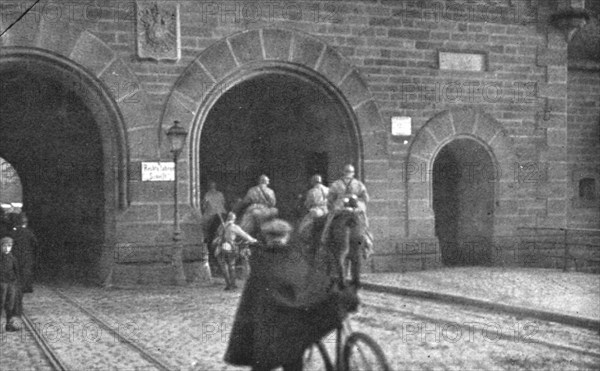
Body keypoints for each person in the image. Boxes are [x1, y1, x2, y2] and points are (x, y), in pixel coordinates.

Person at [224, 219, 359, 371]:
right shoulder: (294, 256)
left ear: (267, 238)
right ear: (287, 236)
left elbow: (250, 303)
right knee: (294, 358)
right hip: (295, 328)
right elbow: (310, 280)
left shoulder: (261, 261)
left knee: (263, 363)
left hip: (271, 333)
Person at [322, 164, 373, 257]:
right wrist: (360, 204)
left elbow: (329, 199)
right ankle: (368, 242)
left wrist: (331, 206)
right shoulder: (359, 184)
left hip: (340, 207)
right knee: (364, 222)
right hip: (355, 207)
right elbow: (366, 198)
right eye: (349, 172)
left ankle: (325, 235)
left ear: (343, 172)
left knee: (329, 220)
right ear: (353, 173)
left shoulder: (336, 184)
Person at [214, 212, 258, 291]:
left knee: (223, 266)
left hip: (219, 248)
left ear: (228, 218)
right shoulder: (234, 227)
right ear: (234, 219)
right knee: (232, 265)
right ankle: (233, 285)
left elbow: (217, 235)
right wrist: (253, 240)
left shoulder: (221, 226)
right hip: (230, 247)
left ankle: (228, 285)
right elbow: (244, 235)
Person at [298, 174, 329, 241]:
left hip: (317, 210)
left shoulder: (312, 191)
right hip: (327, 210)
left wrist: (307, 205)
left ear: (313, 182)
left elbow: (308, 204)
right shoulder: (327, 189)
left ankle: (307, 238)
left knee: (304, 224)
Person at [0, 237, 21, 332]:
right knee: (1, 303)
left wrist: (16, 283)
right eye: (5, 246)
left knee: (10, 305)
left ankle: (9, 324)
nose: (7, 248)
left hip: (11, 284)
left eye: (9, 246)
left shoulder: (13, 258)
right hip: (2, 283)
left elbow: (16, 272)